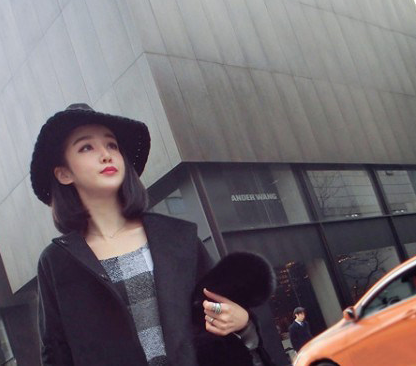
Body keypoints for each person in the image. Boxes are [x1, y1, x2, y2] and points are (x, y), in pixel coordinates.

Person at [31, 103, 266, 365]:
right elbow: (56, 353)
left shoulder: (177, 238)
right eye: (86, 147)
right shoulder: (57, 262)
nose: (106, 155)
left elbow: (222, 314)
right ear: (64, 173)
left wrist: (243, 322)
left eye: (112, 145)